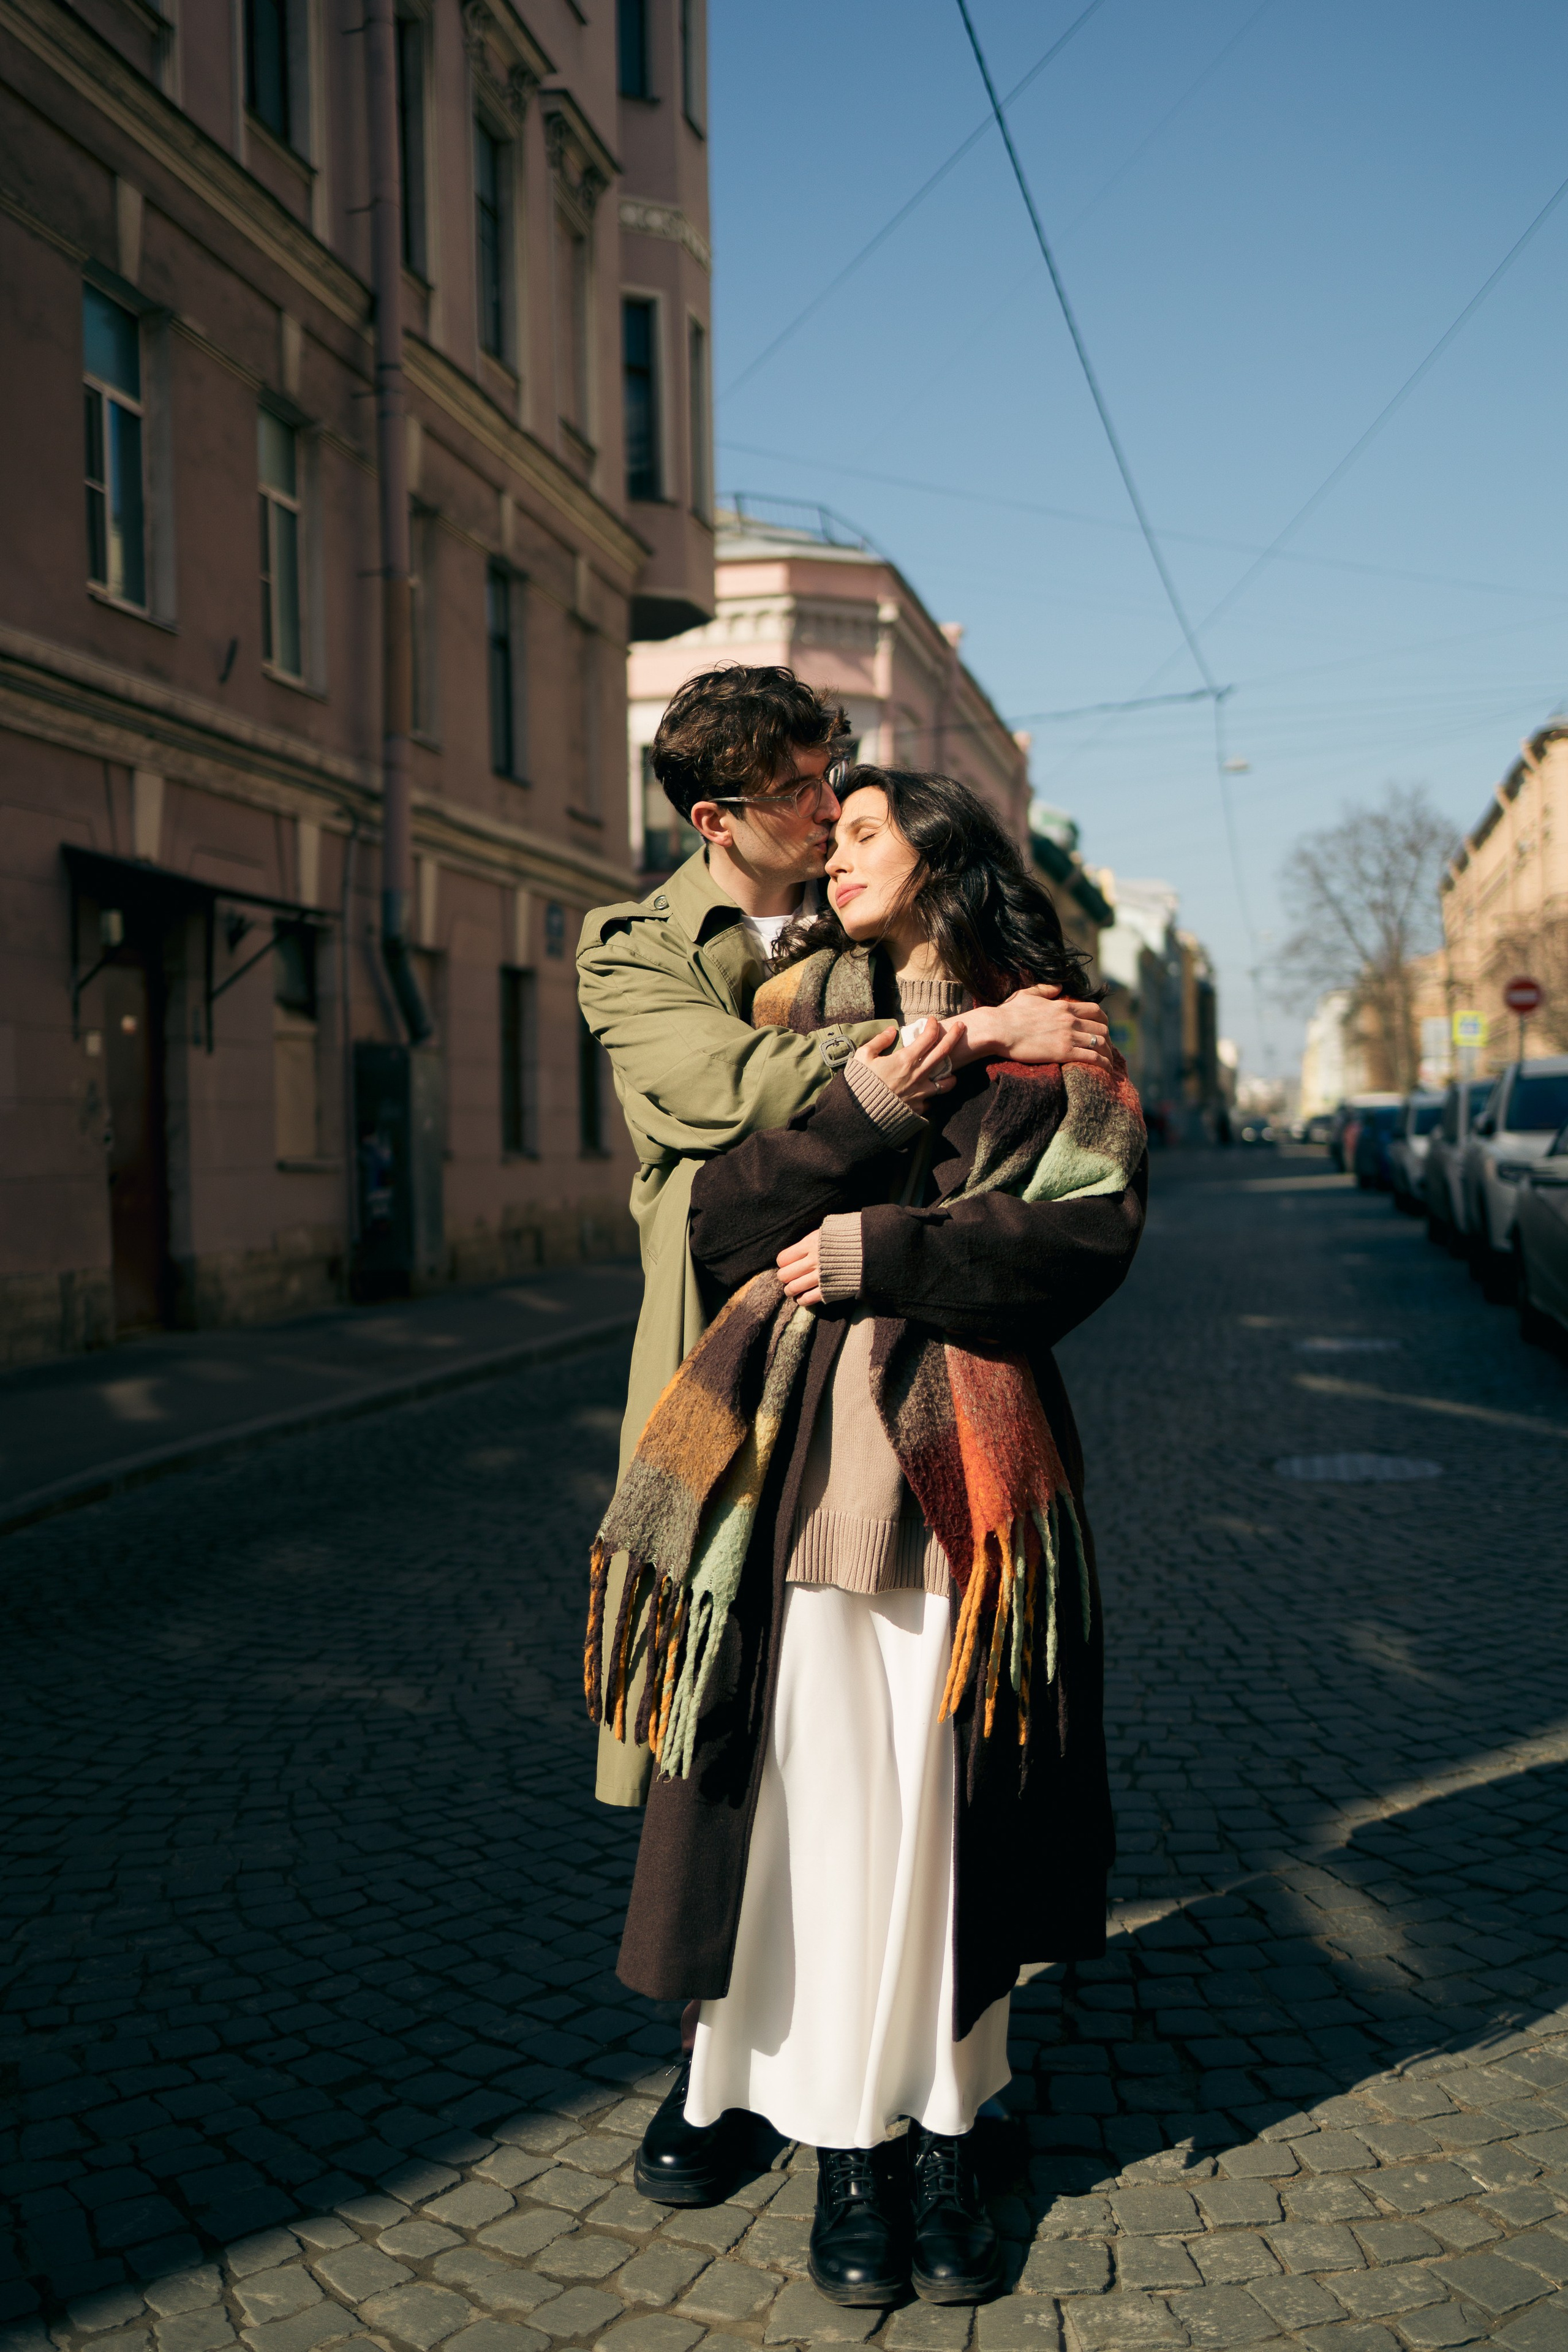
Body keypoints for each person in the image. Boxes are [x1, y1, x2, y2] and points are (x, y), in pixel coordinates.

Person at [586, 766, 1148, 2306]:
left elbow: (1087, 1228)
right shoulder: (802, 1016)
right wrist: (902, 1082)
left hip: (965, 1490)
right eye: (823, 830)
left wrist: (883, 1247)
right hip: (783, 1487)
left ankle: (951, 2124)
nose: (832, 851)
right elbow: (715, 1222)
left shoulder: (1070, 1042)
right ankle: (830, 2131)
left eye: (864, 829)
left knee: (938, 1819)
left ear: (944, 854)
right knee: (812, 1812)